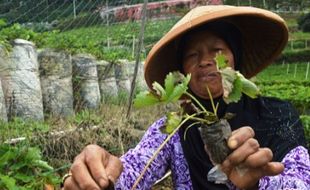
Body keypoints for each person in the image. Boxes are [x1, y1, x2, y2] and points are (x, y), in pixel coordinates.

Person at [63, 5, 310, 190]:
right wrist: (101, 175)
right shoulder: (173, 128)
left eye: (217, 51)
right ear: (182, 73)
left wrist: (259, 184)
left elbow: (302, 181)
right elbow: (133, 170)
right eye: (192, 55)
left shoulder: (276, 114)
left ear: (235, 59)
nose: (204, 61)